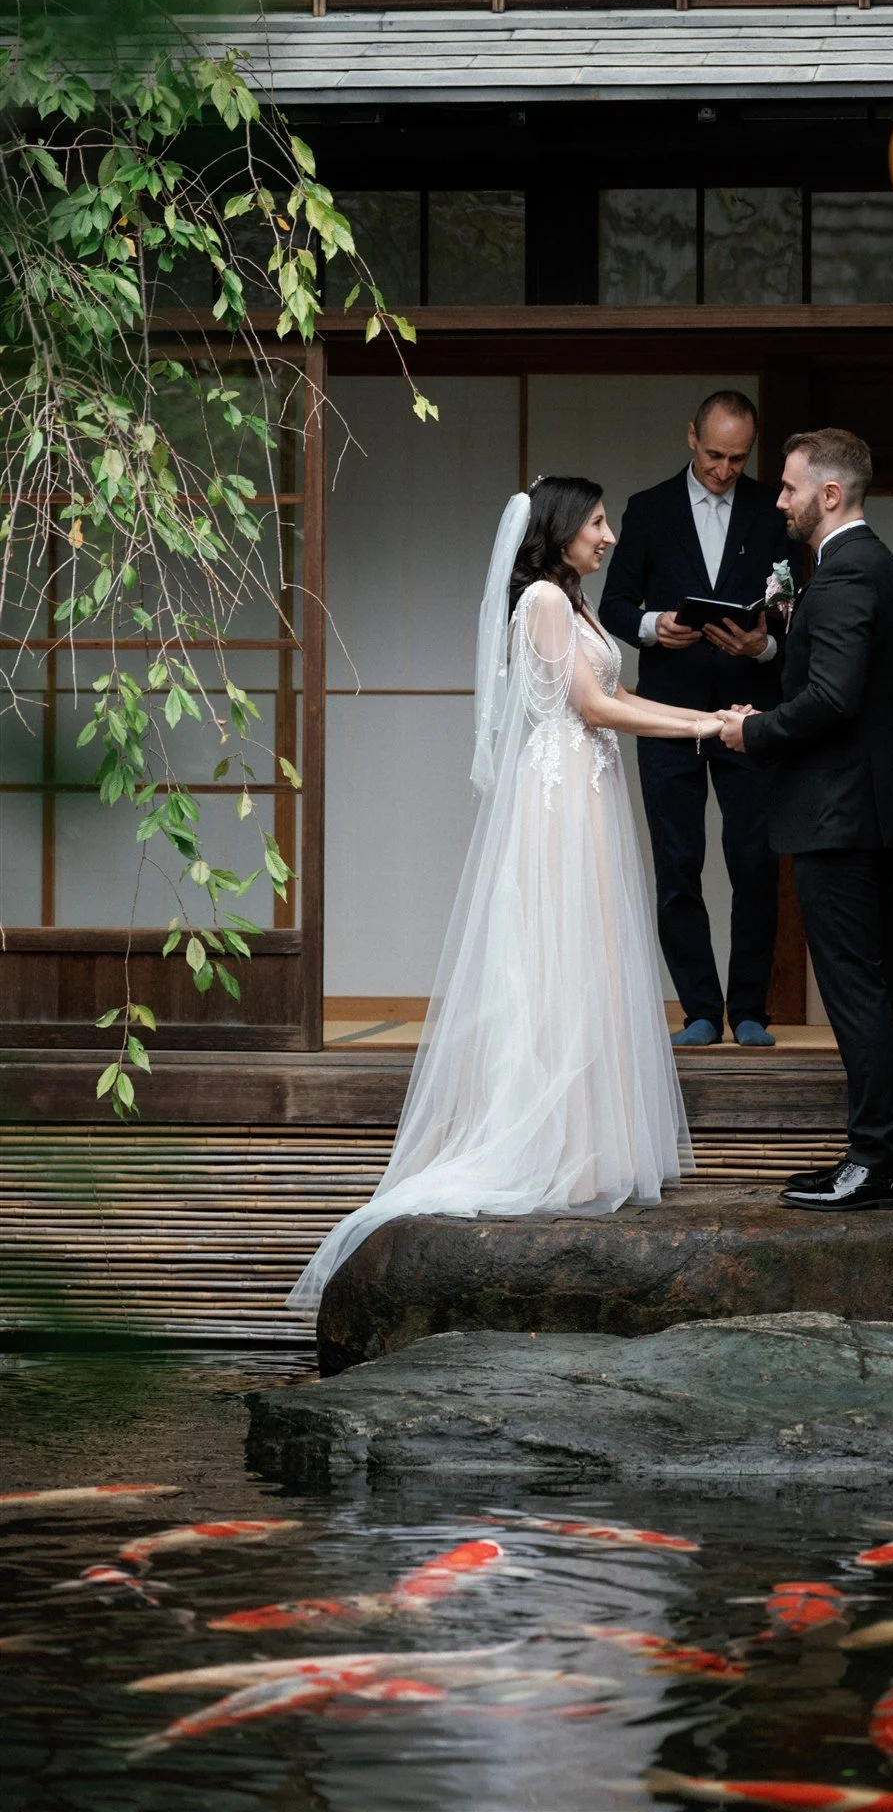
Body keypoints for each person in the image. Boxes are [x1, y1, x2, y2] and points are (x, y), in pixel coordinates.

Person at [288, 478, 718, 1308]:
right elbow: (592, 705)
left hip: (587, 790)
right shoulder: (545, 605)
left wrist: (700, 720)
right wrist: (702, 726)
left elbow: (619, 697)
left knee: (588, 959)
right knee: (556, 959)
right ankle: (546, 1142)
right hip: (561, 798)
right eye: (597, 522)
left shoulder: (578, 604)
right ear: (560, 532)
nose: (610, 535)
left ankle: (586, 1146)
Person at [718, 428, 893, 1212]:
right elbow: (841, 688)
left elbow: (834, 700)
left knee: (857, 993)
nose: (778, 501)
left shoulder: (843, 577)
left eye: (789, 488)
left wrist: (752, 730)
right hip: (857, 811)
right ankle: (881, 1160)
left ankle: (873, 1163)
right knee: (874, 988)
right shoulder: (875, 569)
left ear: (829, 495)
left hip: (837, 816)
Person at [600, 390, 803, 1049]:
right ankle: (696, 1009)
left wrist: (765, 645)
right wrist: (653, 627)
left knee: (753, 860)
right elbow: (613, 607)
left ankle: (748, 1009)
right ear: (691, 438)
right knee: (677, 860)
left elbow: (789, 609)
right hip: (667, 712)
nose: (723, 469)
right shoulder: (648, 509)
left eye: (736, 459)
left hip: (750, 712)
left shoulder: (773, 512)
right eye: (714, 455)